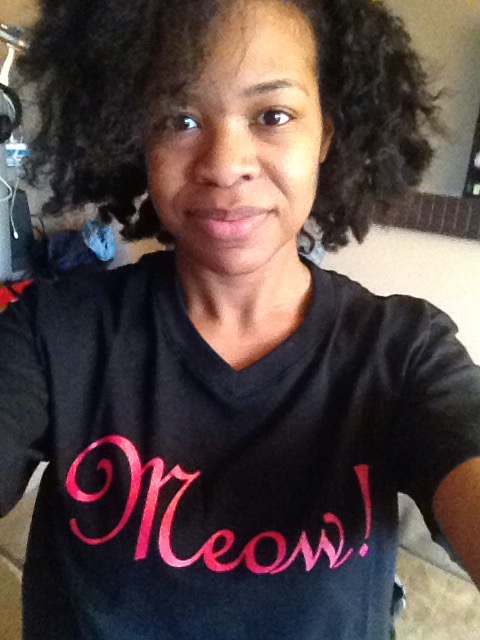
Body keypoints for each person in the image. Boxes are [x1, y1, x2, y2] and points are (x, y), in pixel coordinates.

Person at [1, 0, 479, 638]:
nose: (225, 164)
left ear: (326, 137)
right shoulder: (51, 334)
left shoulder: (403, 352)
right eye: (180, 119)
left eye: (273, 116)